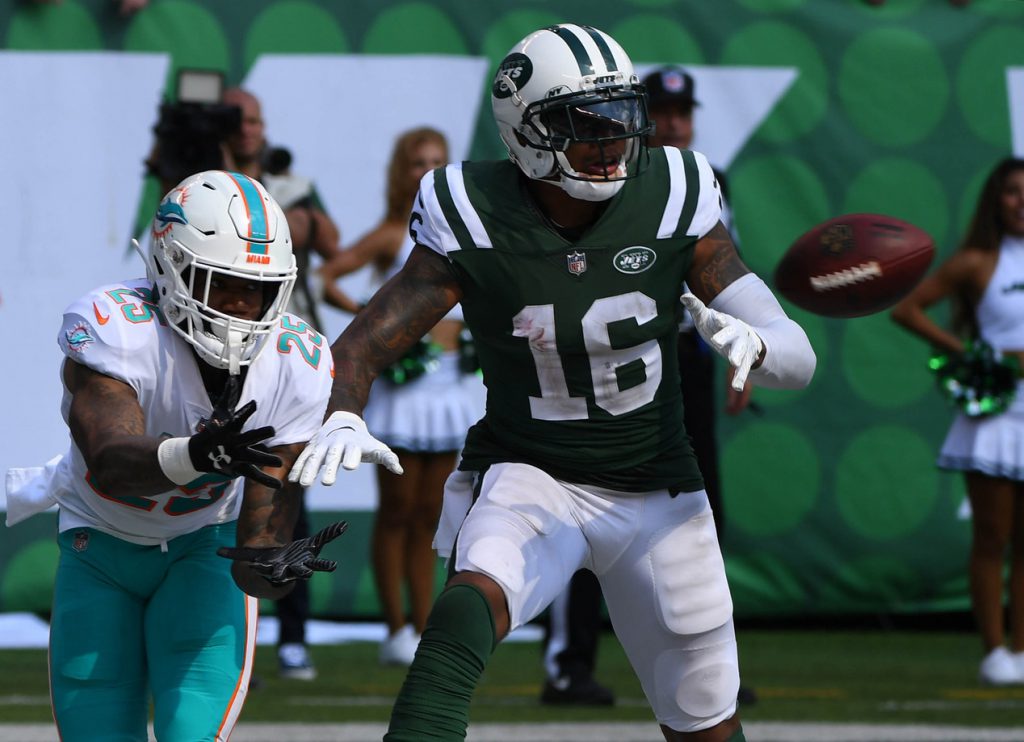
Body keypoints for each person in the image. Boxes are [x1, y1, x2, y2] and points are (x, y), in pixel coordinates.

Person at [292, 23, 815, 741]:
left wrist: (758, 344)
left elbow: (798, 356)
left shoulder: (674, 191)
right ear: (526, 132)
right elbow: (359, 348)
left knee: (704, 719)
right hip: (533, 470)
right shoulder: (472, 209)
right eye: (586, 124)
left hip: (658, 486)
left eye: (621, 117)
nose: (612, 140)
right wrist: (343, 416)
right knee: (469, 600)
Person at [4, 170, 340, 740]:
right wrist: (195, 455)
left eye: (256, 289)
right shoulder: (116, 327)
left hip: (204, 545)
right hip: (99, 542)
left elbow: (255, 549)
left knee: (192, 733)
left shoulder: (295, 362)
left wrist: (276, 569)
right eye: (221, 283)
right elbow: (111, 459)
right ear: (170, 267)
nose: (241, 305)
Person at [319, 126, 486, 665]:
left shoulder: (464, 232)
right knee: (396, 510)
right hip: (402, 392)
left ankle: (422, 624)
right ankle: (394, 630)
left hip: (449, 386)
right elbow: (327, 276)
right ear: (401, 171)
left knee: (432, 515)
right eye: (418, 162)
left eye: (437, 161)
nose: (427, 170)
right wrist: (372, 321)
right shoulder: (394, 234)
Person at [222, 86, 345, 680]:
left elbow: (332, 243)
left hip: (283, 351)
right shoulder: (205, 184)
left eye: (253, 119)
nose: (247, 129)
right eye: (235, 120)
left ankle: (293, 632)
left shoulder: (291, 184)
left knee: (290, 489)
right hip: (220, 354)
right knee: (216, 483)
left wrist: (299, 217)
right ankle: (220, 622)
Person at [891, 157, 1024, 686]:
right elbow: (907, 309)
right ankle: (994, 652)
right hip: (996, 415)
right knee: (993, 536)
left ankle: (1022, 649)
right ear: (996, 200)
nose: (1022, 202)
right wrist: (970, 355)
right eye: (1012, 192)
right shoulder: (977, 261)